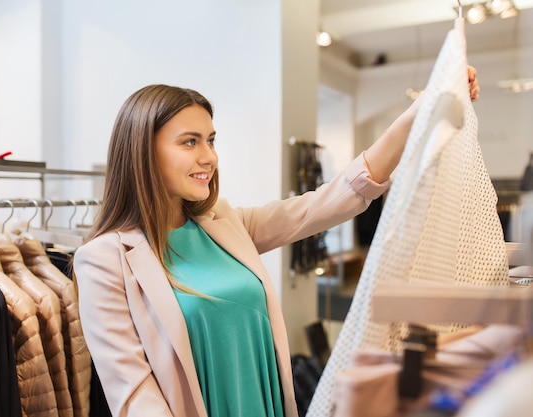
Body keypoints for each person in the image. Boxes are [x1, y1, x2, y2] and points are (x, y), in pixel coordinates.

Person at [72, 67, 480, 417]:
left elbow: (325, 204)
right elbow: (133, 396)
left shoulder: (224, 223)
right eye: (190, 141)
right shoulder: (104, 260)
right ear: (144, 150)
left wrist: (416, 116)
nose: (209, 157)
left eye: (211, 140)